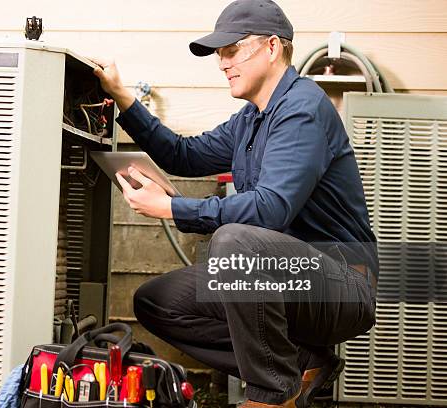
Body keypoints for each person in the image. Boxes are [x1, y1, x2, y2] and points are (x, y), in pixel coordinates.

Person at [91, 0, 378, 407]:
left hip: (342, 284)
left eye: (231, 50)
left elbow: (271, 209)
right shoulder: (251, 118)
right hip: (283, 274)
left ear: (272, 47)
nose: (222, 63)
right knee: (158, 301)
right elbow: (182, 155)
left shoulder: (302, 110)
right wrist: (122, 97)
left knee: (234, 244)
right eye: (218, 54)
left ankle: (270, 395)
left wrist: (173, 209)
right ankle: (300, 365)